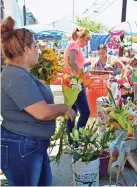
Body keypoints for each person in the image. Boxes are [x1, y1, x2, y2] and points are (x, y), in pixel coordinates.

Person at [0, 16, 76, 186]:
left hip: (29, 145)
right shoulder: (15, 75)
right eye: (35, 46)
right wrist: (64, 108)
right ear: (26, 49)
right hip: (22, 146)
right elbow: (41, 112)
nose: (38, 50)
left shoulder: (20, 73)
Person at [64, 28, 91, 140]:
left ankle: (71, 139)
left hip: (71, 80)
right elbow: (72, 62)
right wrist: (82, 75)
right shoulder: (74, 44)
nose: (86, 44)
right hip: (75, 81)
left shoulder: (71, 44)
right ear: (81, 37)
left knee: (73, 110)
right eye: (86, 40)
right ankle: (78, 139)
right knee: (85, 112)